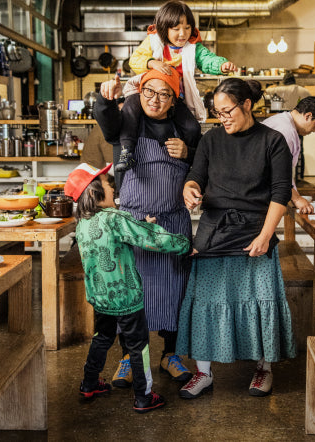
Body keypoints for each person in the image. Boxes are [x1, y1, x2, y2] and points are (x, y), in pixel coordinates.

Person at [175, 78, 296, 399]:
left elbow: (281, 192)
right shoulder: (211, 140)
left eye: (228, 111)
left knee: (258, 301)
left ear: (247, 105)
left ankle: (262, 369)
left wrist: (266, 235)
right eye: (218, 113)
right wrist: (190, 190)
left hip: (255, 232)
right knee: (206, 303)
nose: (222, 118)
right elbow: (195, 176)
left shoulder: (273, 141)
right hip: (214, 231)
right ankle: (203, 373)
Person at [94, 68, 201, 389]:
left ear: (174, 99)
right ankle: (129, 356)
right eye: (148, 92)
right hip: (134, 224)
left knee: (175, 291)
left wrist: (189, 153)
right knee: (131, 292)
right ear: (139, 93)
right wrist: (104, 98)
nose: (155, 99)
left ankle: (172, 354)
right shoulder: (125, 123)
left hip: (173, 222)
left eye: (164, 93)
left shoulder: (185, 128)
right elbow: (105, 118)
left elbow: (205, 162)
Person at [64, 162, 190, 413]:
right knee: (138, 346)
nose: (114, 189)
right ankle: (144, 397)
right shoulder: (115, 217)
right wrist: (184, 244)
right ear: (93, 192)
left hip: (101, 298)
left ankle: (89, 384)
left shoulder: (83, 223)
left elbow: (113, 239)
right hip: (126, 298)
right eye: (109, 185)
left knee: (102, 338)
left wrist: (140, 222)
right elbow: (151, 238)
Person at [115, 0, 236, 172]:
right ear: (164, 28)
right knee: (129, 111)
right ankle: (127, 151)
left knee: (192, 128)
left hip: (174, 97)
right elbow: (135, 60)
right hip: (147, 93)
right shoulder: (153, 41)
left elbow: (207, 59)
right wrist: (151, 63)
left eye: (187, 28)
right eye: (176, 28)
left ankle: (190, 162)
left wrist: (221, 65)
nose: (183, 34)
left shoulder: (193, 47)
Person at [262, 96, 315, 214]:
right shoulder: (286, 131)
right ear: (308, 116)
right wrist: (297, 198)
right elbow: (276, 172)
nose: (314, 130)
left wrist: (295, 195)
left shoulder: (283, 120)